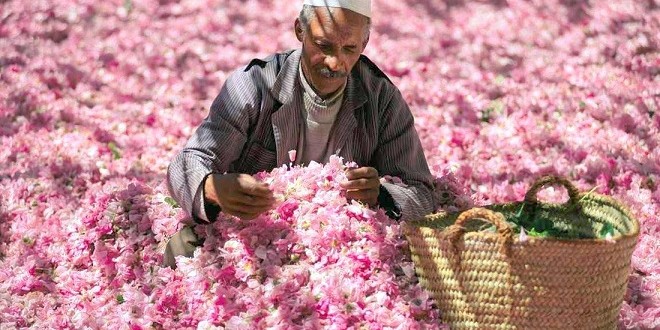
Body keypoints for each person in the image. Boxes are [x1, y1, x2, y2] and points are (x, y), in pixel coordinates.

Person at [164, 0, 434, 268]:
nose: (335, 62)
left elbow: (421, 192)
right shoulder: (254, 85)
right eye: (323, 45)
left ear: (364, 44)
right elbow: (187, 162)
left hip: (341, 252)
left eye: (349, 48)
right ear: (300, 31)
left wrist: (381, 195)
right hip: (252, 242)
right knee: (182, 250)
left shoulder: (382, 99)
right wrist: (212, 188)